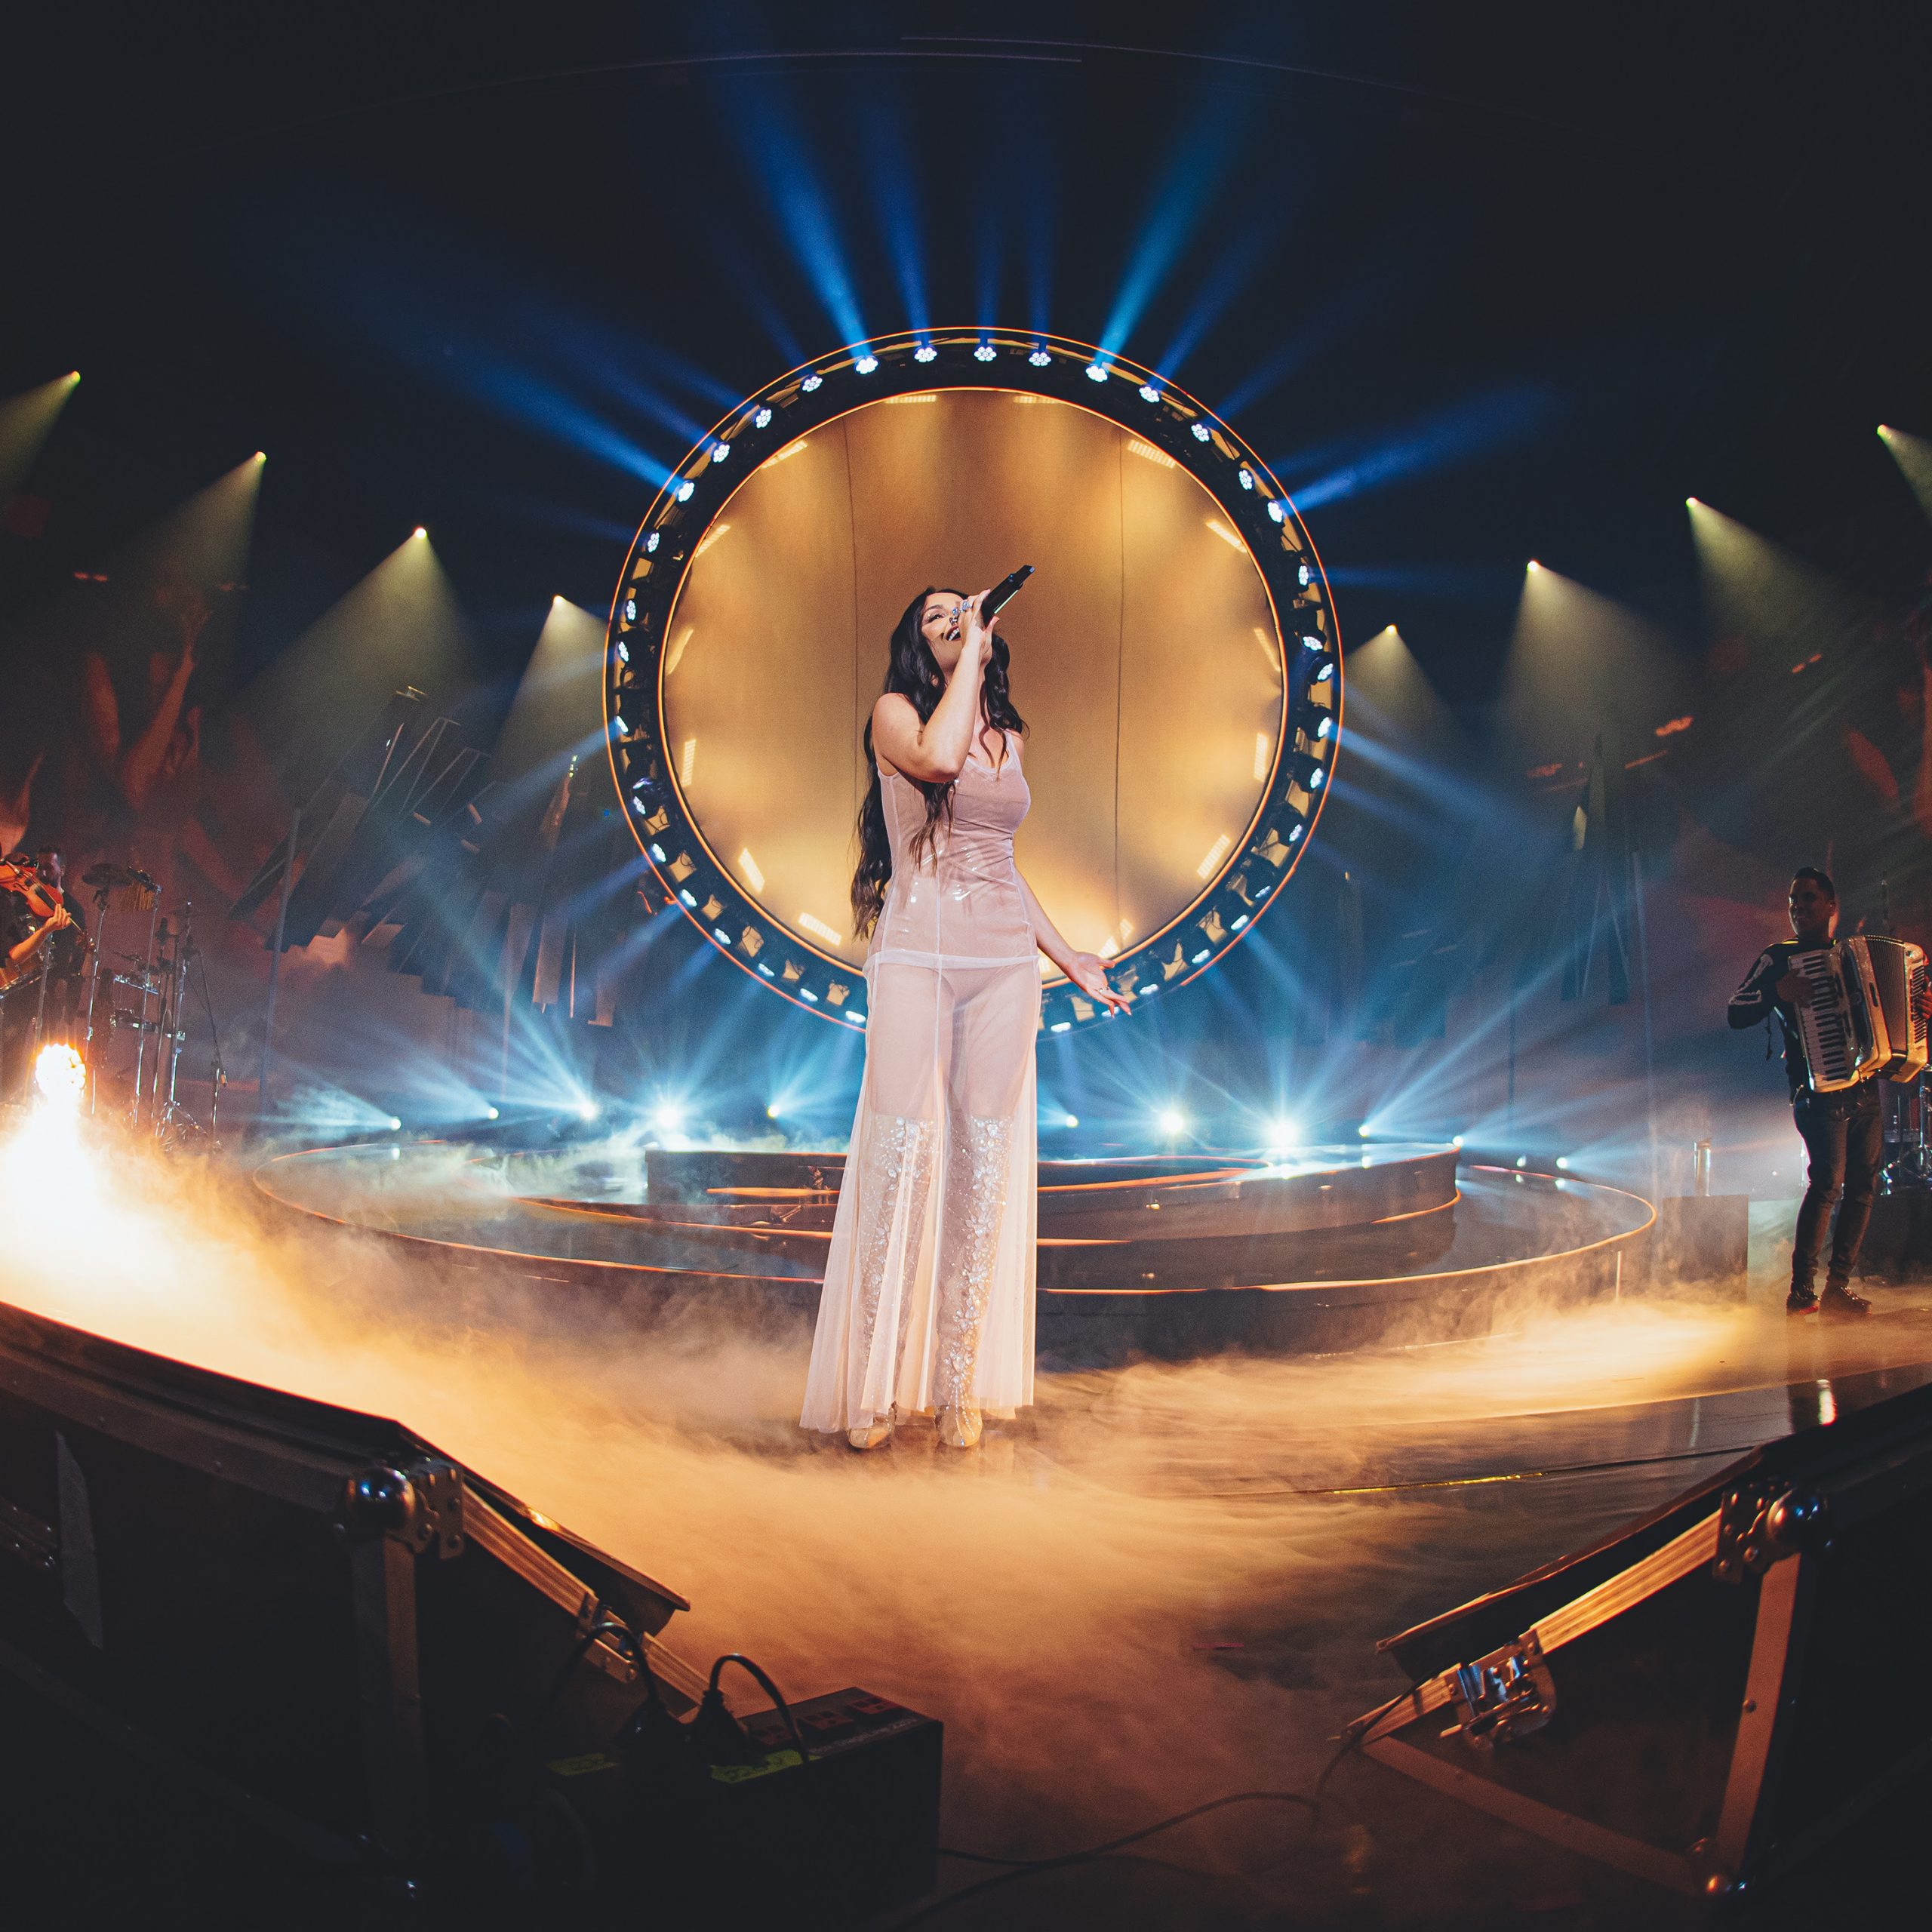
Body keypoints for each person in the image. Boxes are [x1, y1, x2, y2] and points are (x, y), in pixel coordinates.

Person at [801, 586, 1128, 1451]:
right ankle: (873, 1386)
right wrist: (971, 659)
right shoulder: (896, 715)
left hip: (1002, 963)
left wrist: (1068, 957)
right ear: (919, 641)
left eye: (963, 608)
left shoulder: (1007, 736)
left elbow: (1000, 862)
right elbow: (940, 762)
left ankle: (956, 1384)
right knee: (901, 1157)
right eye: (936, 614)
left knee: (981, 1164)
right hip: (917, 953)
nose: (953, 615)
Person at [1728, 867, 1889, 1318]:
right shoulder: (1778, 957)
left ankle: (1838, 1287)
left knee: (1863, 1186)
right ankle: (1801, 1290)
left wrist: (1919, 1007)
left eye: (1809, 899)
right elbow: (1735, 1011)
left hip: (1864, 1088)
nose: (1799, 907)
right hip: (1817, 1091)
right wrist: (1776, 992)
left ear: (1831, 905)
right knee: (1827, 1184)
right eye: (1793, 901)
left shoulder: (1855, 956)